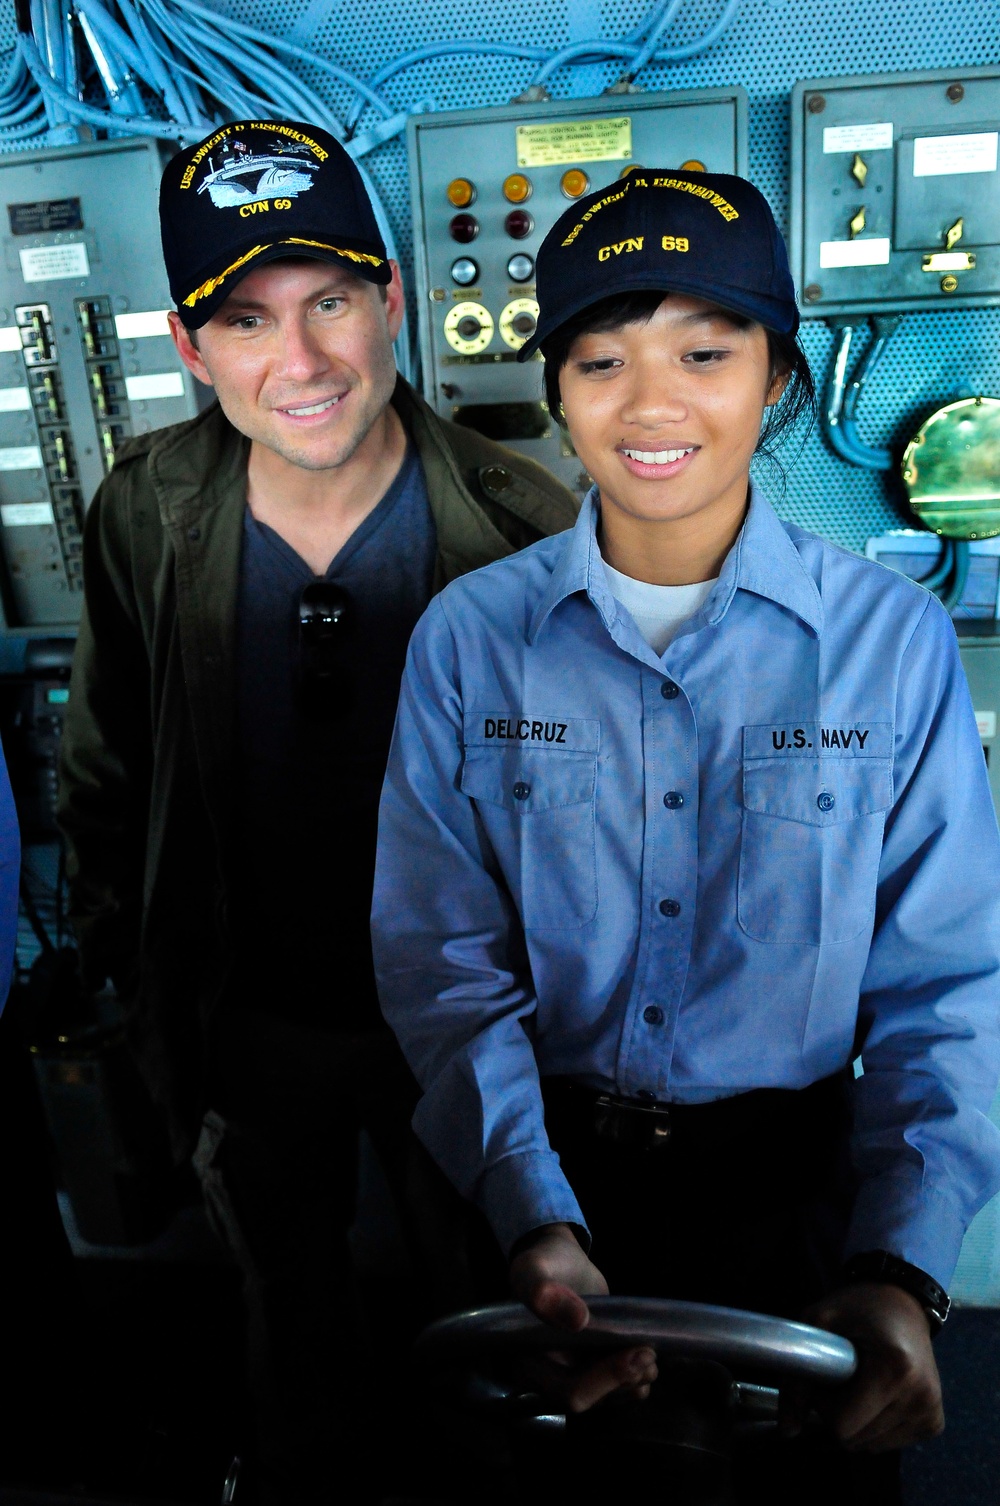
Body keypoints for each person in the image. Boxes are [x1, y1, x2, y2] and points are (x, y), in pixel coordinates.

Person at [372, 169, 1000, 1503]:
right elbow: (438, 953)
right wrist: (533, 1215)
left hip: (799, 1198)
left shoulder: (889, 646)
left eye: (705, 352)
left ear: (776, 381)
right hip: (533, 1177)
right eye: (601, 359)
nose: (650, 404)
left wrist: (898, 1269)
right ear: (554, 390)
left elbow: (947, 981)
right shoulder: (469, 642)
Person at [56, 118, 576, 1504]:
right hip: (249, 1016)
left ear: (393, 296)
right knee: (289, 1320)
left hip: (465, 1030)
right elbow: (109, 760)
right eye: (249, 319)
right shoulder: (145, 509)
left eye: (332, 301)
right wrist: (122, 972)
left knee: (496, 1312)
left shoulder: (518, 518)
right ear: (190, 343)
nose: (303, 361)